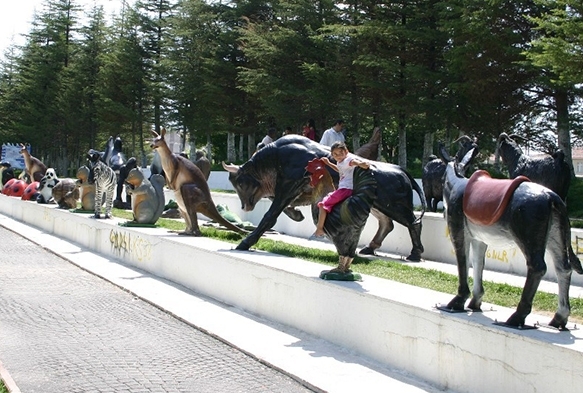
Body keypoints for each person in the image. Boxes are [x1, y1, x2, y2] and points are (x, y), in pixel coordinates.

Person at [311, 141, 370, 238]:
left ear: (346, 152)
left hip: (345, 190)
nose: (338, 156)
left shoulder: (348, 160)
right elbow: (340, 169)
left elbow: (353, 162)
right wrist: (329, 163)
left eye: (341, 153)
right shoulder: (341, 162)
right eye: (335, 154)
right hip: (344, 188)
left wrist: (361, 164)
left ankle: (319, 229)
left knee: (323, 204)